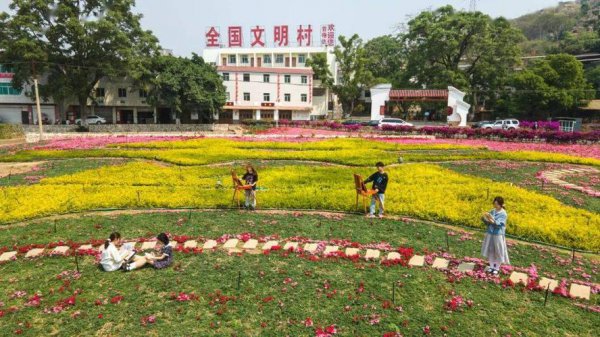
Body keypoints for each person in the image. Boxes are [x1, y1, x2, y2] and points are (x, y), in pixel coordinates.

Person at [481, 196, 510, 276]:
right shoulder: (492, 211)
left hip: (498, 234)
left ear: (501, 205)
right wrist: (484, 218)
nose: (495, 206)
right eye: (494, 204)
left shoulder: (503, 213)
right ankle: (491, 266)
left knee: (498, 250)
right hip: (490, 233)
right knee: (490, 249)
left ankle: (496, 268)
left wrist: (491, 219)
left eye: (497, 204)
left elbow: (498, 224)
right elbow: (488, 223)